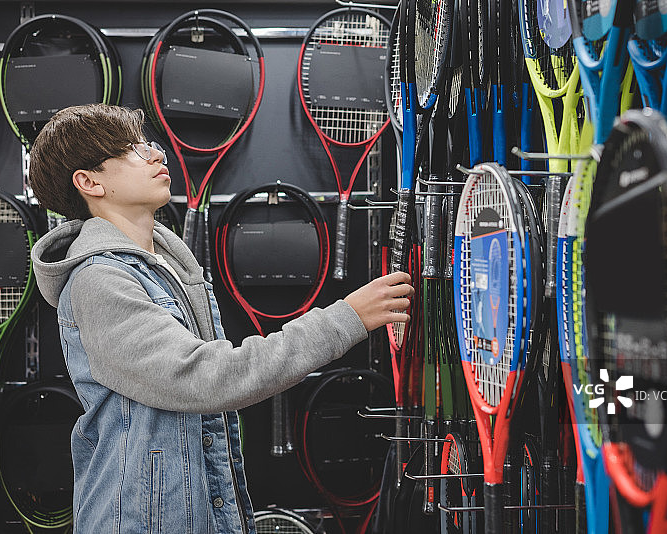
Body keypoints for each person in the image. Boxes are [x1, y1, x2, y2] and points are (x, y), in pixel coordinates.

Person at [29, 103, 414, 534]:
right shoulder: (100, 280)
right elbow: (206, 377)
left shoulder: (168, 266)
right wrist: (346, 319)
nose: (156, 154)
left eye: (149, 144)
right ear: (89, 182)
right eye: (133, 150)